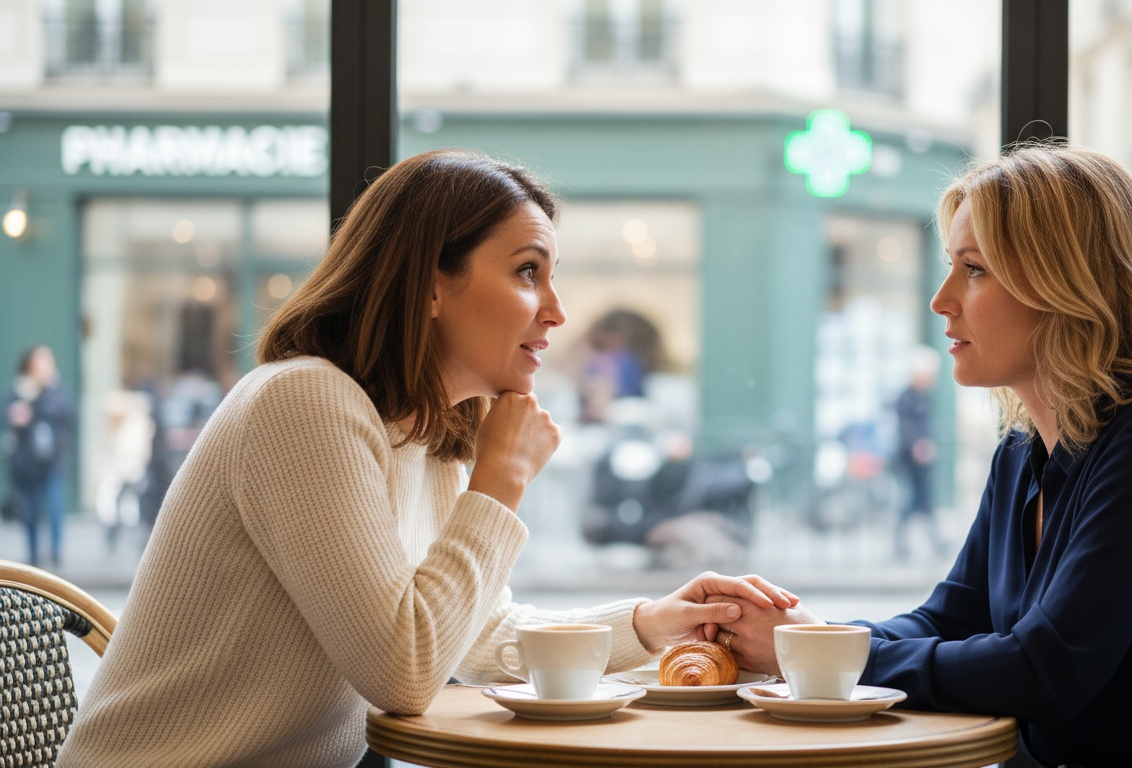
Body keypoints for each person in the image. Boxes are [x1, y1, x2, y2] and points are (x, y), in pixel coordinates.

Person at [56, 149, 795, 768]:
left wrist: (651, 624)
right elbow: (404, 671)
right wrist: (501, 481)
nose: (556, 310)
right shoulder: (305, 402)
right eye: (528, 271)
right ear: (432, 284)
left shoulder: (426, 435)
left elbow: (477, 635)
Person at [703, 145, 1132, 768]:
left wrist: (815, 656)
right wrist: (810, 639)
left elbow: (1047, 670)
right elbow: (948, 621)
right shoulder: (1021, 453)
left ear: (1066, 285)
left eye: (974, 269)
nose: (941, 299)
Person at [3, 344, 74, 567]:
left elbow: (68, 416)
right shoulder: (18, 390)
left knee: (54, 506)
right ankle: (33, 556)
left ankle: (55, 552)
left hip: (51, 460)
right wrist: (15, 416)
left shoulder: (56, 390)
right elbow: (7, 417)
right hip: (27, 462)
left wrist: (46, 393)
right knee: (30, 511)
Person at [891, 348, 946, 560]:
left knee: (924, 500)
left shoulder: (922, 397)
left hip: (920, 460)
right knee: (913, 501)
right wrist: (917, 445)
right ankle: (903, 544)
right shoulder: (907, 398)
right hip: (910, 460)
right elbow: (907, 427)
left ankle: (934, 542)